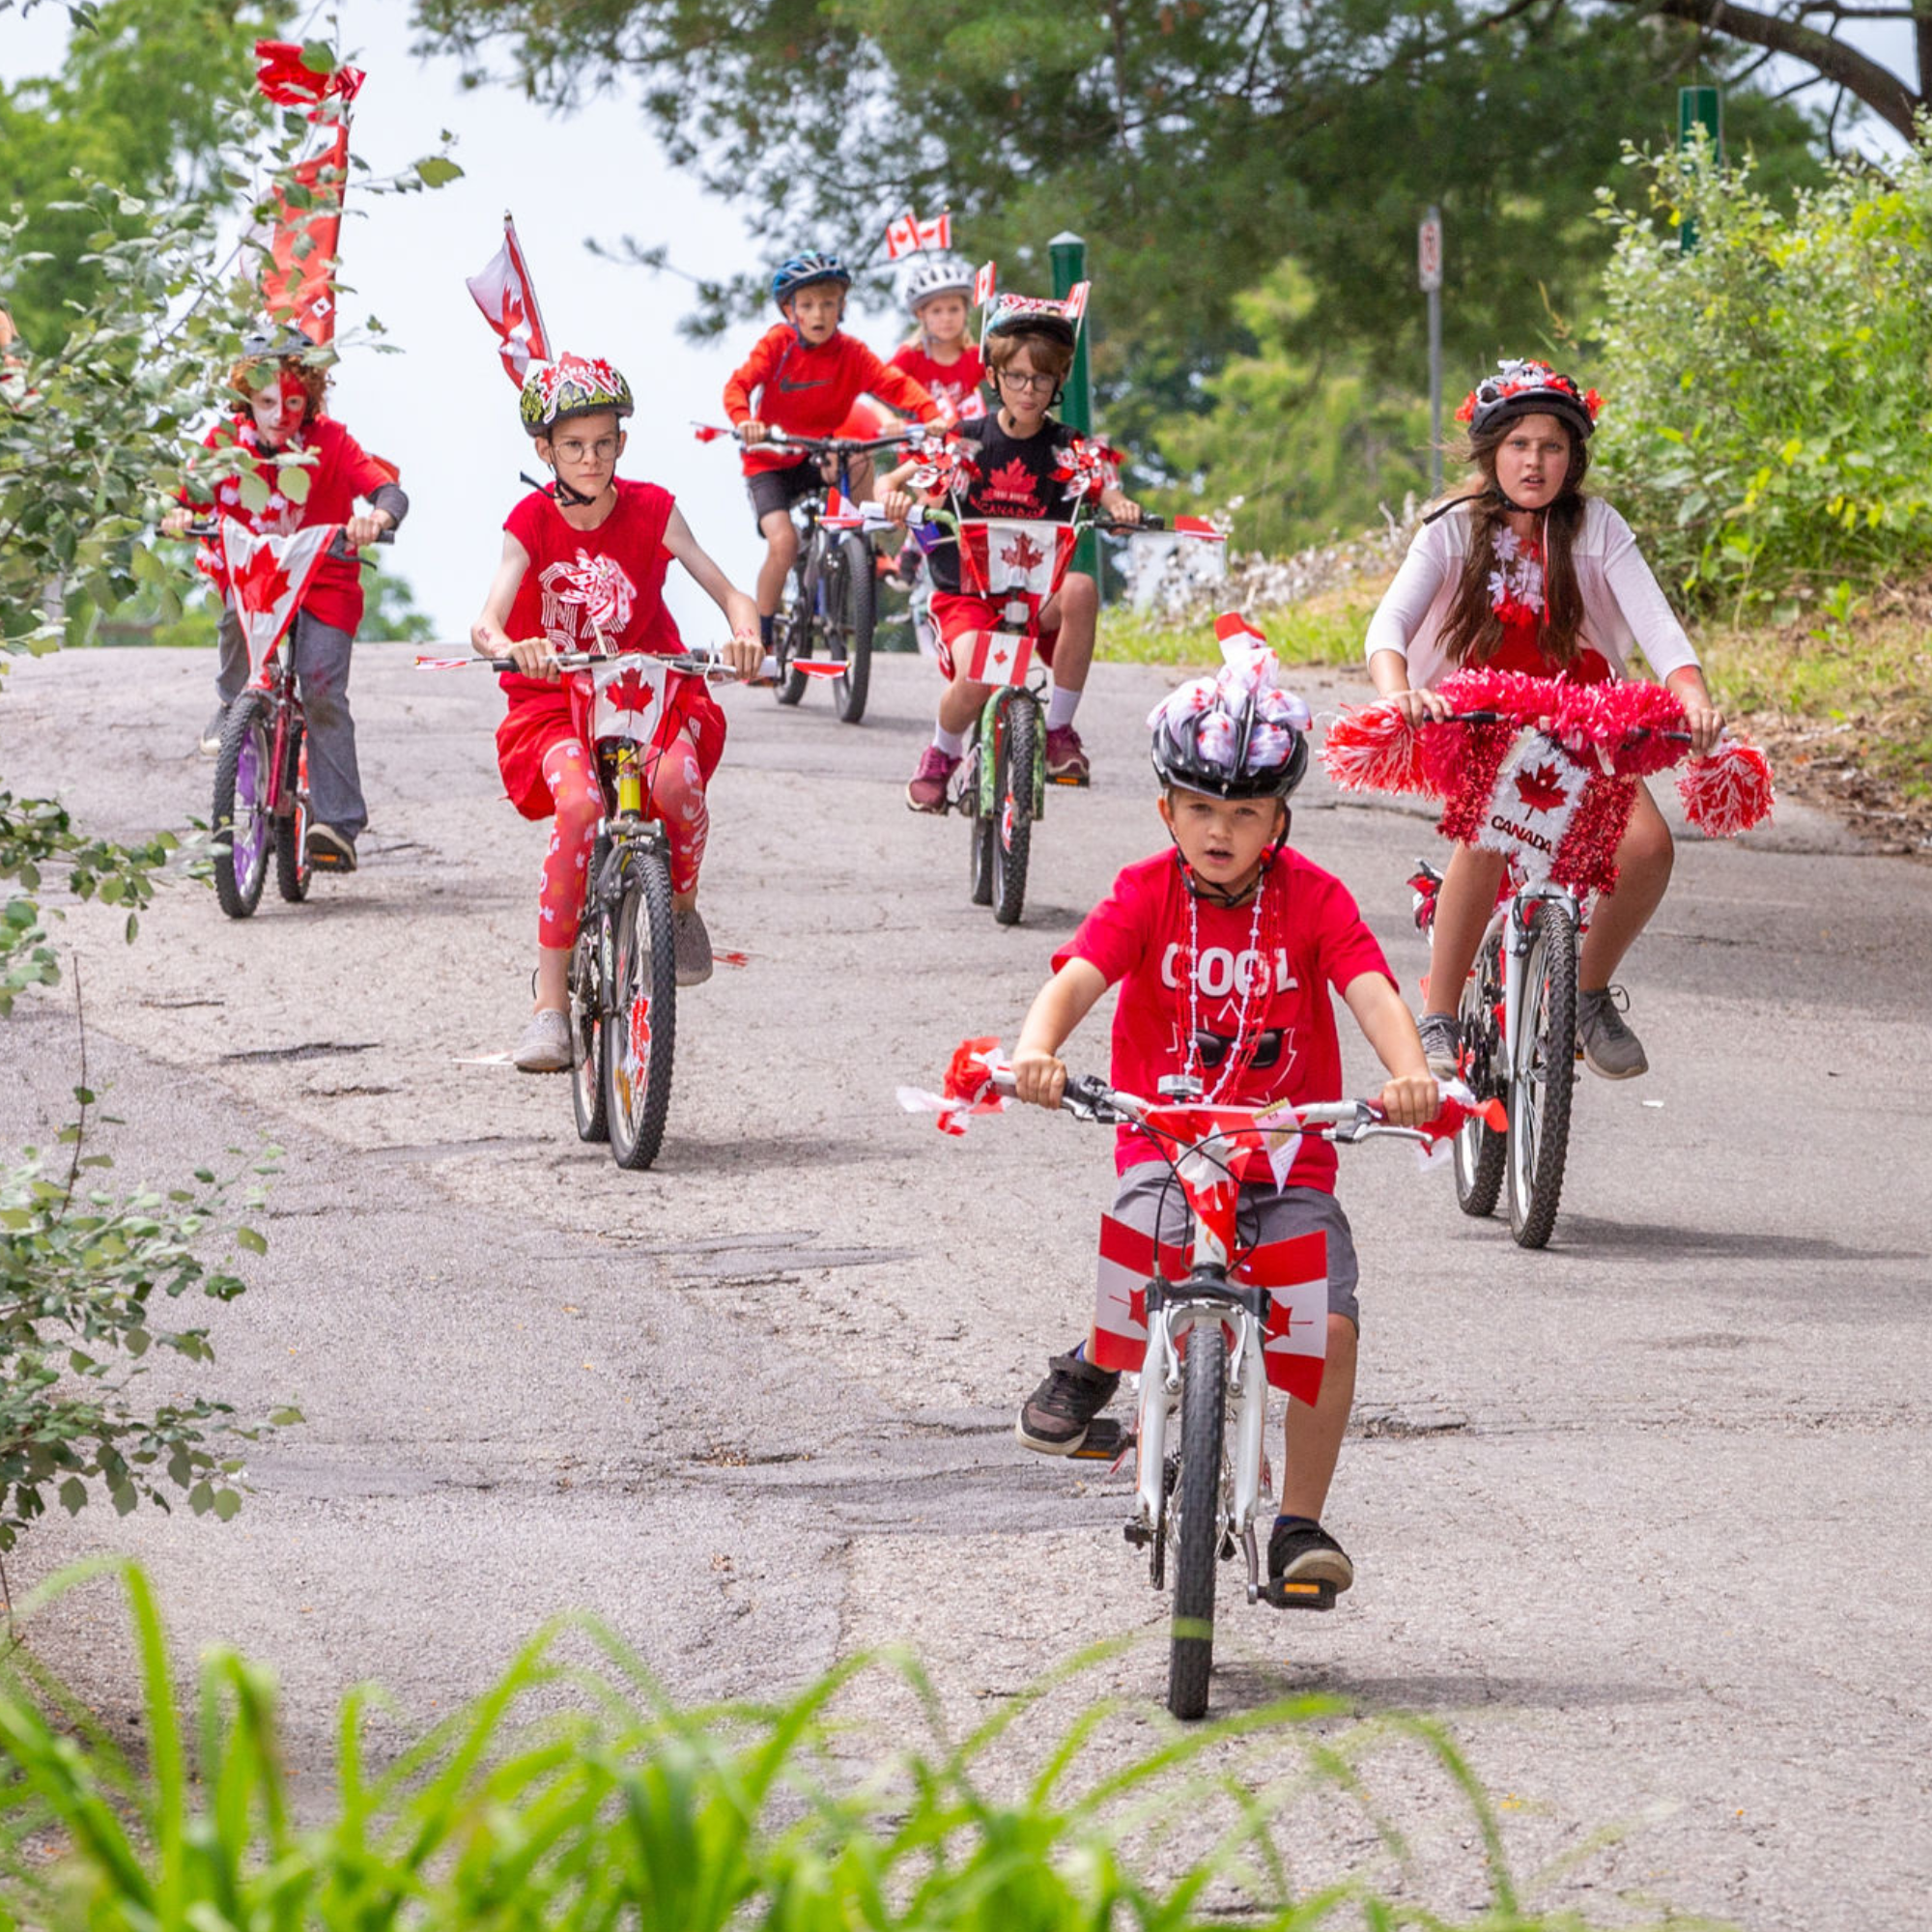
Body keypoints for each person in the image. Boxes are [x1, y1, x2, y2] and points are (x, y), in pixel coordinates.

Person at [1007, 639, 1438, 1603]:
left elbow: (1370, 991)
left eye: (1244, 812)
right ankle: (1102, 1359)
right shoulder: (1143, 891)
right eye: (1199, 808)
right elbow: (1074, 979)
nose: (1219, 829)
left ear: (1278, 820)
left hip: (1288, 1152)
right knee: (1147, 1248)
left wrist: (1409, 1074)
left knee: (1322, 1322)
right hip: (1168, 1134)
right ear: (1166, 810)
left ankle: (1297, 1524)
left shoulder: (1313, 899)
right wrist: (1036, 1050)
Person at [1363, 358, 1723, 1082]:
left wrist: (1691, 694)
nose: (1535, 461)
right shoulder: (1450, 530)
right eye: (1519, 444)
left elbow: (1660, 630)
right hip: (1480, 720)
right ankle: (1437, 1015)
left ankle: (1587, 993)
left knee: (1648, 848)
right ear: (1491, 452)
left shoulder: (1598, 528)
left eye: (1553, 446)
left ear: (1574, 458)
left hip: (1582, 724)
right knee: (1497, 822)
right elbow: (1389, 626)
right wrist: (1397, 691)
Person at [470, 353, 761, 1074]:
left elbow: (730, 592)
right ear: (545, 451)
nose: (591, 457)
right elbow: (486, 624)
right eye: (573, 445)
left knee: (674, 786)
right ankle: (549, 1009)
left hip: (650, 696)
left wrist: (747, 632)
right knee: (577, 810)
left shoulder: (655, 509)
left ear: (621, 443)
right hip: (557, 703)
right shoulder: (529, 521)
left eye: (604, 442)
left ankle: (681, 908)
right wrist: (518, 646)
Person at [161, 329, 407, 875]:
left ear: (311, 400)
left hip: (325, 582)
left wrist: (376, 519)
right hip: (258, 582)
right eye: (267, 401)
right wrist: (176, 513)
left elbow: (389, 492)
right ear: (246, 398)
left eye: (293, 401)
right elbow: (179, 495)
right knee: (233, 619)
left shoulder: (333, 442)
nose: (280, 414)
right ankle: (233, 705)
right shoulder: (226, 444)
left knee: (320, 687)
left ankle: (336, 825)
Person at [878, 293, 1137, 809]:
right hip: (968, 595)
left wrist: (1120, 505)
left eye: (1042, 379)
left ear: (1057, 383)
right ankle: (941, 752)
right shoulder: (963, 439)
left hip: (1036, 595)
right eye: (1015, 376)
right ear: (993, 377)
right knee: (979, 681)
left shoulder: (1069, 445)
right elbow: (896, 475)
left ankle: (1059, 730)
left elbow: (1106, 487)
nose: (1028, 389)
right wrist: (890, 494)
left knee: (1081, 587)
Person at [722, 251, 940, 655]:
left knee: (858, 457)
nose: (818, 313)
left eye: (828, 303)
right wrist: (743, 420)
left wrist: (931, 414)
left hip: (816, 454)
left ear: (842, 307)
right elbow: (738, 385)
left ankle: (863, 545)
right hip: (768, 462)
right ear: (790, 310)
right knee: (783, 543)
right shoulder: (778, 344)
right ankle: (764, 637)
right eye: (806, 305)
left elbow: (893, 384)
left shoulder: (852, 353)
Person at [888, 255, 985, 425]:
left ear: (965, 311)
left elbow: (1009, 385)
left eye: (954, 309)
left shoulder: (977, 356)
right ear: (921, 314)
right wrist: (890, 422)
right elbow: (878, 395)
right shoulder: (909, 356)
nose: (946, 318)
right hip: (919, 447)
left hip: (967, 445)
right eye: (936, 311)